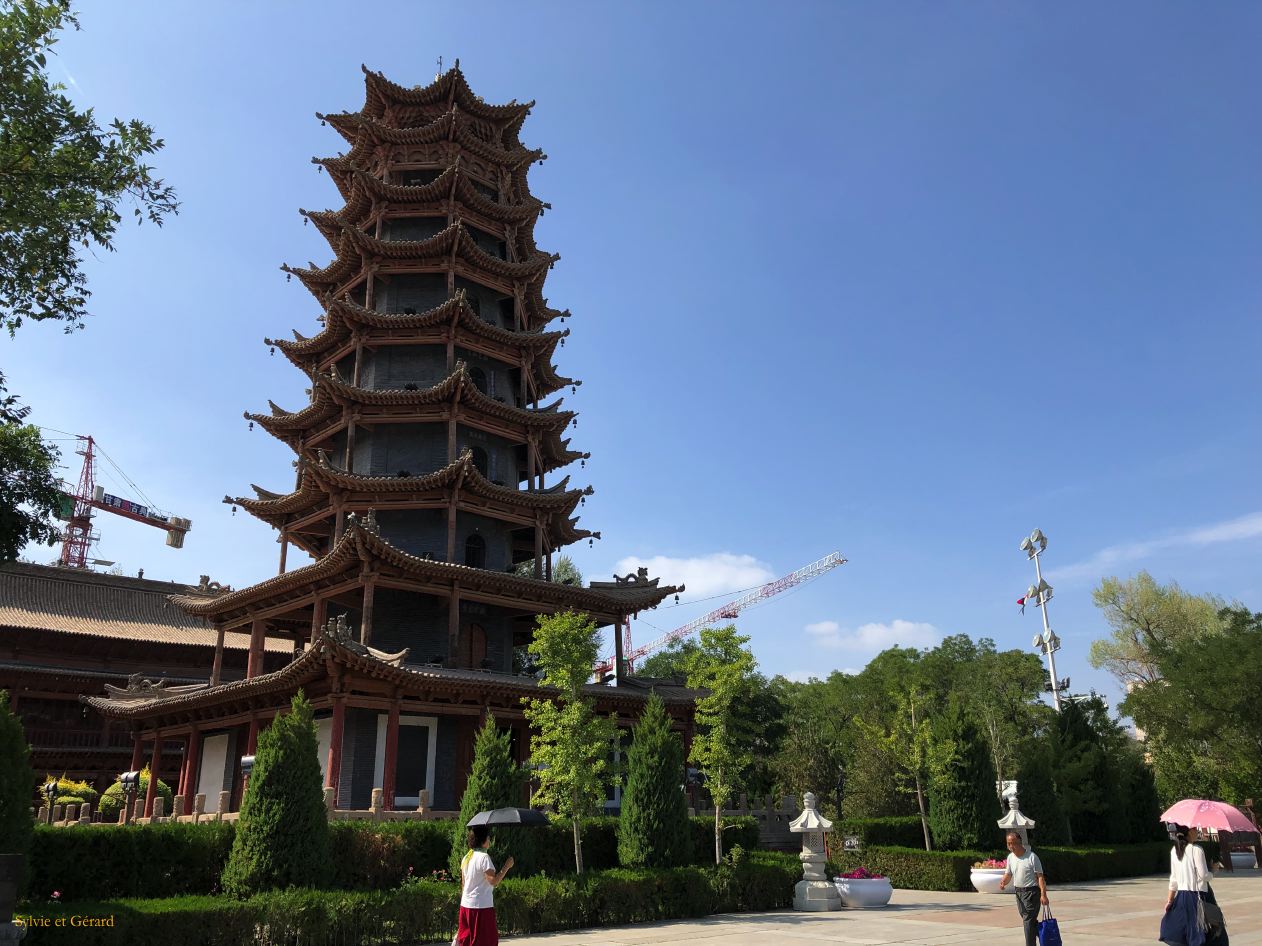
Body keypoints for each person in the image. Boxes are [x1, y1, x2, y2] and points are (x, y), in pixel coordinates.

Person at [1160, 824, 1229, 946]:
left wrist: (1170, 900)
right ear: (1190, 832)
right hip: (1199, 897)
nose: (1197, 832)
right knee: (1209, 933)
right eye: (1195, 829)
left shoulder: (1174, 851)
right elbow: (1204, 876)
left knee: (1185, 933)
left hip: (1181, 898)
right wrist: (1212, 870)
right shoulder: (1196, 850)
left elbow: (1173, 880)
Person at [455, 824, 514, 946]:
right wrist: (506, 867)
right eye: (488, 838)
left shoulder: (466, 857)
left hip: (465, 906)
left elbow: (463, 884)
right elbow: (493, 881)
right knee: (485, 941)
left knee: (467, 941)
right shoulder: (484, 857)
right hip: (481, 907)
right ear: (483, 841)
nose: (489, 840)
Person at [998, 829, 1048, 946]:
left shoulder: (1032, 857)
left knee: (1028, 922)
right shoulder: (1010, 857)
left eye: (1013, 843)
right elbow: (1009, 873)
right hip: (1019, 893)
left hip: (1032, 893)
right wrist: (1003, 882)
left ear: (1020, 842)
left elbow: (1040, 877)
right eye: (1008, 843)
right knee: (1029, 921)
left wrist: (1043, 895)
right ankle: (1045, 934)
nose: (1011, 846)